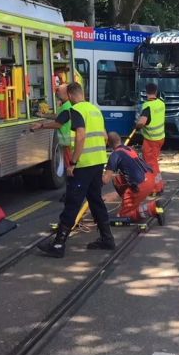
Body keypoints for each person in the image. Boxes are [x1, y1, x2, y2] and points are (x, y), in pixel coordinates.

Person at [38, 81, 113, 258]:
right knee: (95, 201)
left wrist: (73, 162)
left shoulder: (77, 110)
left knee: (72, 202)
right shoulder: (95, 110)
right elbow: (104, 135)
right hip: (97, 162)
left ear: (71, 95)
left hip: (84, 164)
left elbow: (80, 136)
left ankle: (58, 245)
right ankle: (107, 238)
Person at [103, 132, 166, 224]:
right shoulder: (128, 149)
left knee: (123, 217)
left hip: (141, 184)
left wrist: (92, 178)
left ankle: (152, 208)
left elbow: (106, 180)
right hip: (149, 178)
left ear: (108, 143)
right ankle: (133, 204)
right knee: (118, 179)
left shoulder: (115, 155)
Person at [30, 83, 74, 174]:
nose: (57, 93)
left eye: (59, 91)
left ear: (66, 93)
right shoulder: (65, 105)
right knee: (69, 167)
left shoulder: (67, 107)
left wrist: (41, 126)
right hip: (67, 143)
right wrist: (43, 115)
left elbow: (58, 124)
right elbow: (58, 117)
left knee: (70, 169)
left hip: (68, 143)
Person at [135, 83, 165, 194]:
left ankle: (156, 187)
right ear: (156, 91)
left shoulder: (147, 106)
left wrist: (137, 126)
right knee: (153, 162)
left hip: (151, 140)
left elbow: (142, 122)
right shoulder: (161, 104)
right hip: (160, 138)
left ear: (146, 92)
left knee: (151, 164)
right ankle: (157, 185)